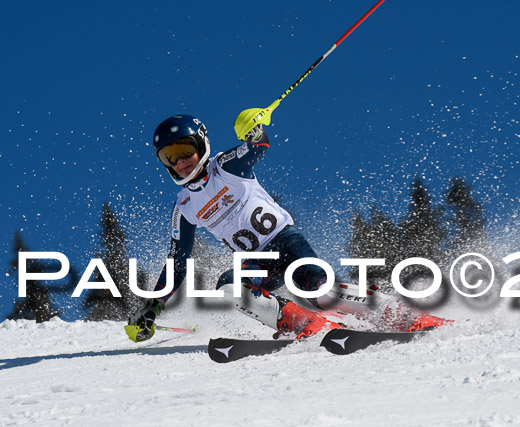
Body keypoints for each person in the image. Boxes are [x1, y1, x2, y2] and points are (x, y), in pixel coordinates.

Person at [126, 113, 448, 342]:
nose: (180, 161)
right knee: (229, 287)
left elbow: (260, 145)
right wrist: (153, 306)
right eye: (169, 156)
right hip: (257, 263)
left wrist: (253, 129)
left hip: (284, 240)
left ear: (201, 144)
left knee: (317, 290)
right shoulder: (184, 207)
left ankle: (399, 313)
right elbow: (176, 263)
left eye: (185, 150)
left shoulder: (226, 166)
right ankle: (302, 322)